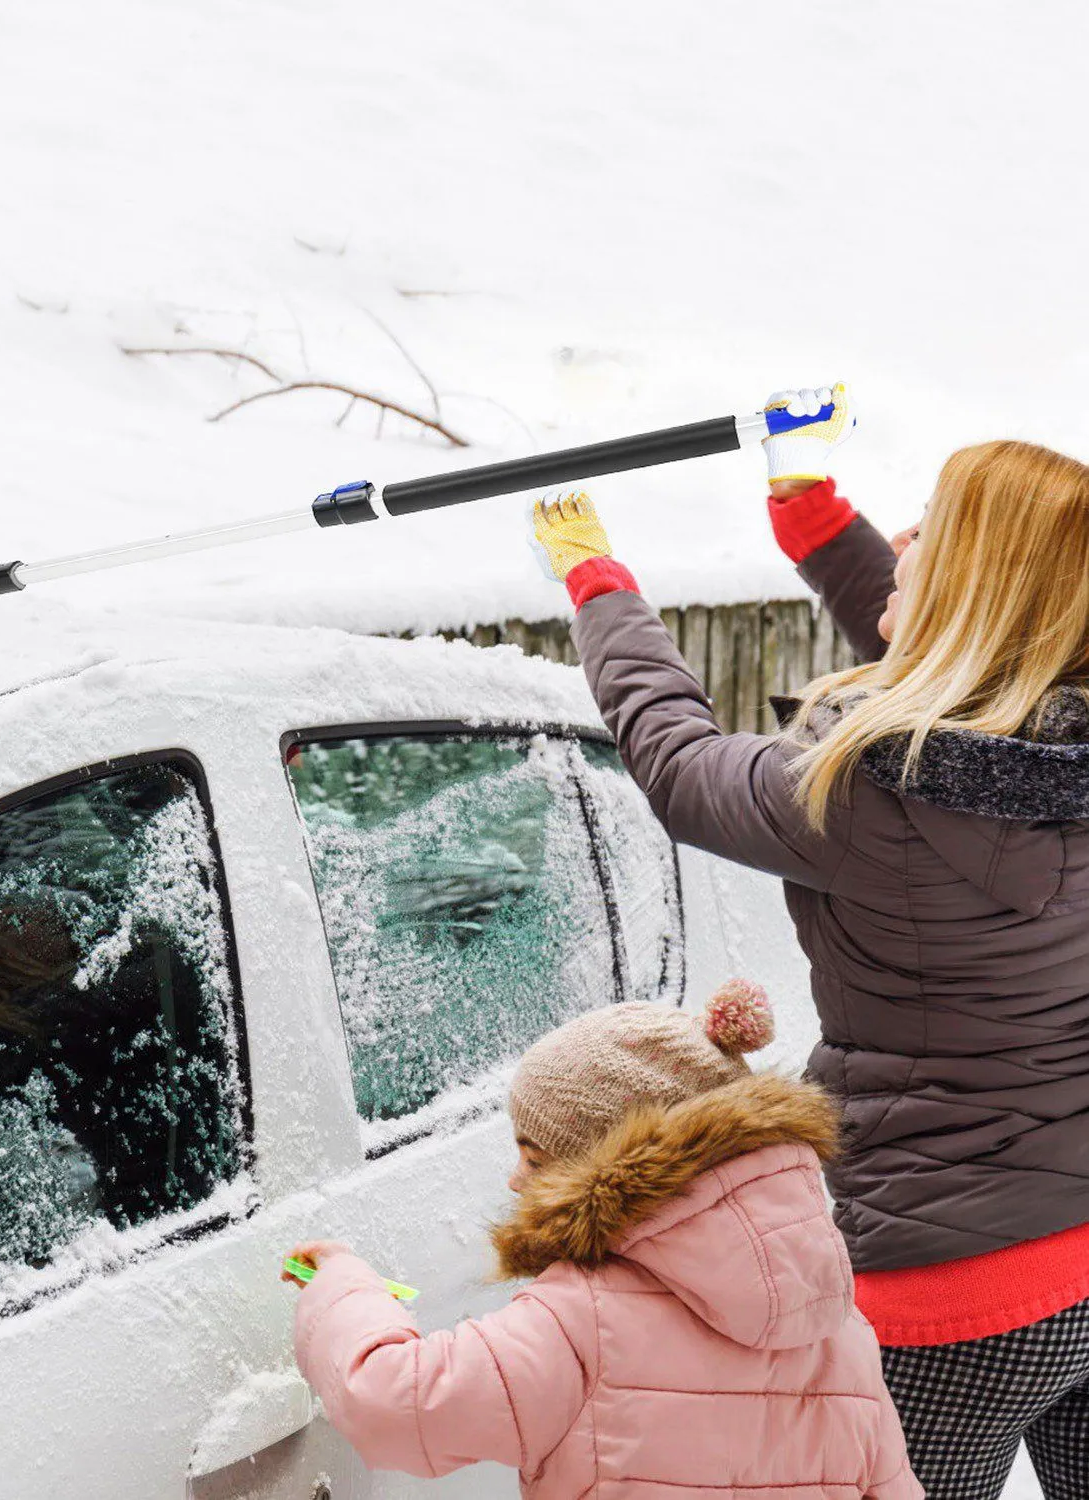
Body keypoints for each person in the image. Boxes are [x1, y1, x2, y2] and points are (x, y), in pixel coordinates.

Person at [530, 385, 1089, 1500]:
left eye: (930, 523)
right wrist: (811, 511)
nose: (909, 538)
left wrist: (598, 586)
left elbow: (682, 768)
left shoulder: (864, 792)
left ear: (973, 584)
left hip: (948, 1299)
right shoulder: (1057, 739)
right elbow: (972, 661)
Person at [286, 981, 918, 1498]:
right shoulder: (837, 1325)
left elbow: (395, 1404)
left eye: (534, 1159)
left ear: (600, 1170)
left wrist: (344, 1284)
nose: (514, 1179)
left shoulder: (578, 1320)